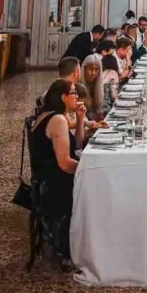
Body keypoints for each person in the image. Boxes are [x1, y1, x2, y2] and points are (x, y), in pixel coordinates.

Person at [28, 78, 84, 261]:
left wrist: (81, 119)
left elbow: (76, 144)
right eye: (74, 93)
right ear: (63, 97)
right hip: (54, 183)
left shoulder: (47, 115)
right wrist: (87, 168)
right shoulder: (58, 119)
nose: (77, 96)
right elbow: (65, 164)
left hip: (44, 178)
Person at [81, 54, 105, 121]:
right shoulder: (78, 87)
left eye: (96, 69)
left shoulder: (97, 87)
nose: (93, 73)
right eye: (91, 69)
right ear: (84, 69)